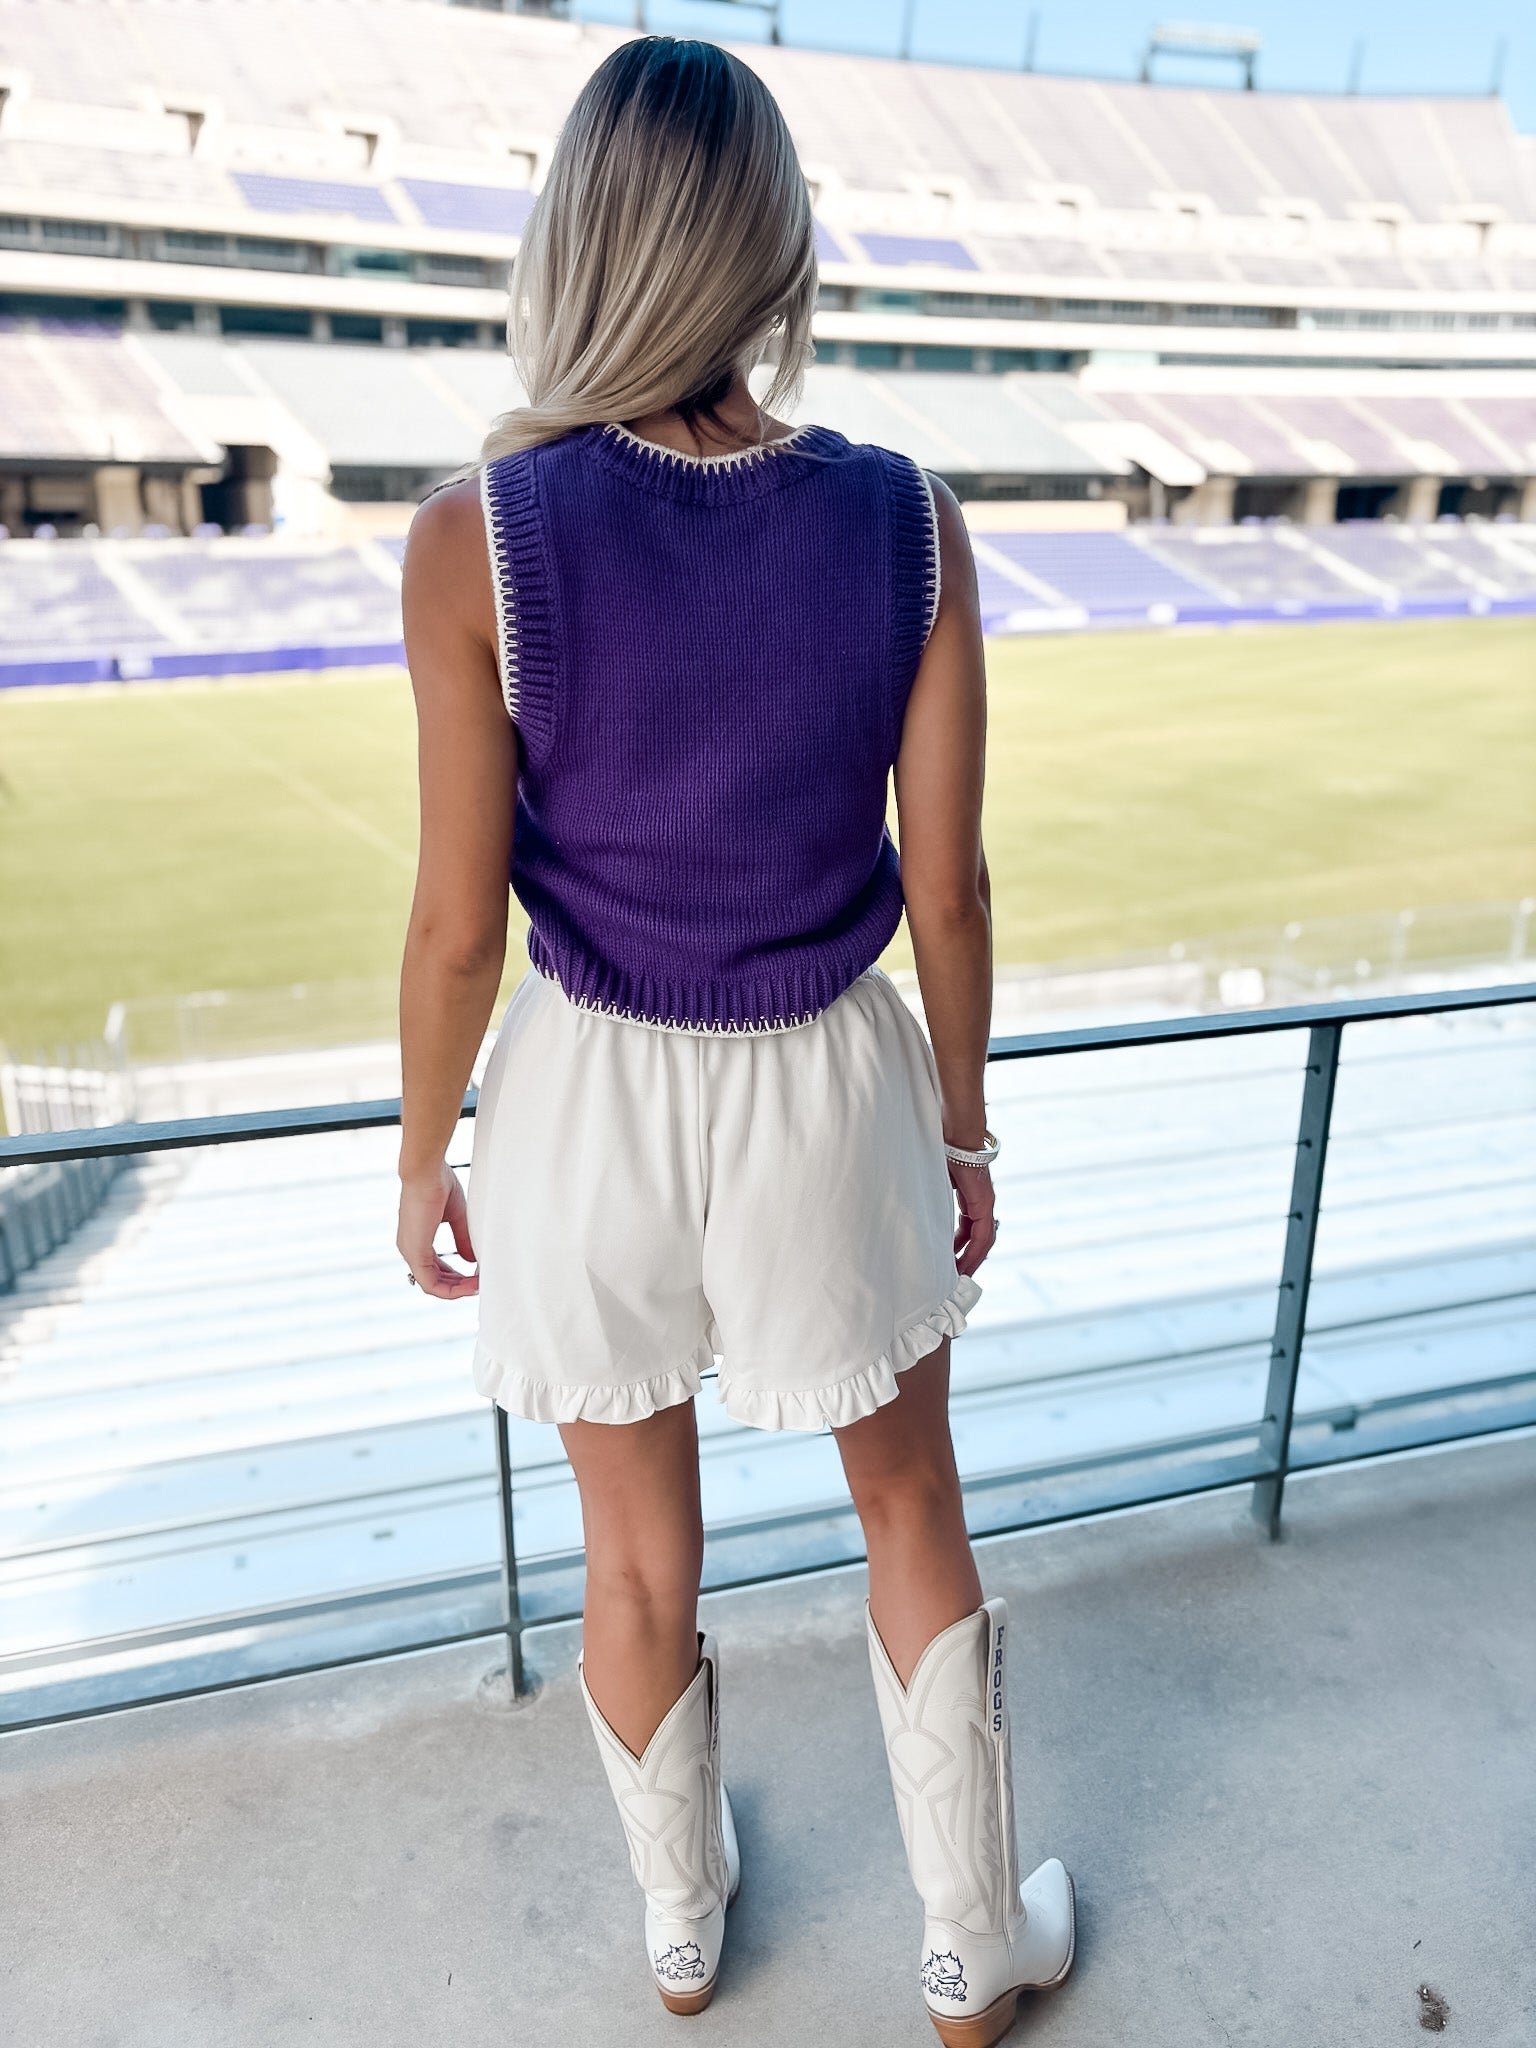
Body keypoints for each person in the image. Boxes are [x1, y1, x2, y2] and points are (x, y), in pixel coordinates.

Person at [395, 35, 1073, 2047]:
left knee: (633, 1558)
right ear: (774, 252)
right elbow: (949, 893)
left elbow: (454, 927)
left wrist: (423, 1153)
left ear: (573, 244)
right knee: (911, 1507)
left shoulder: (475, 534)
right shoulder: (908, 521)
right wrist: (965, 1130)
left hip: (583, 1092)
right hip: (828, 1084)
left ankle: (684, 1937)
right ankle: (970, 1955)